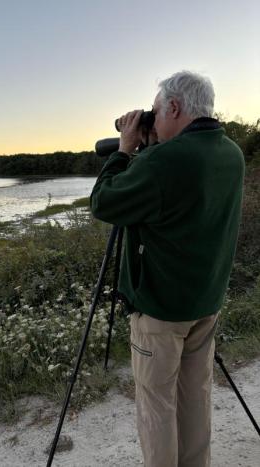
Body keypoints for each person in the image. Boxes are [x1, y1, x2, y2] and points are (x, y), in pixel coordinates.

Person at [90, 70, 245, 467]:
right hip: (205, 302)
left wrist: (125, 151)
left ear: (174, 107)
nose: (152, 121)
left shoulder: (164, 161)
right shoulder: (230, 152)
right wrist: (153, 147)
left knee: (157, 408)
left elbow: (104, 203)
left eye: (156, 112)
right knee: (195, 399)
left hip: (160, 310)